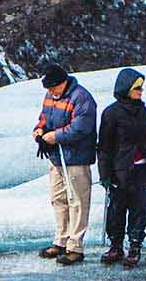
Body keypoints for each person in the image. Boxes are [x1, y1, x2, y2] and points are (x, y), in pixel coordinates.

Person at [97, 68, 146, 268]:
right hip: (120, 169)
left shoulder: (142, 110)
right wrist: (105, 174)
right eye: (137, 88)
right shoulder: (111, 113)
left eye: (142, 87)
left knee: (139, 208)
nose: (141, 91)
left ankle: (135, 245)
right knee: (116, 209)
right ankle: (116, 246)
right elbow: (105, 147)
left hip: (141, 169)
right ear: (126, 88)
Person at [32, 64, 98, 265]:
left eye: (53, 87)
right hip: (56, 158)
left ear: (63, 82)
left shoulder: (82, 98)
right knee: (58, 199)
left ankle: (75, 246)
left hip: (75, 158)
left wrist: (55, 136)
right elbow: (44, 117)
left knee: (77, 200)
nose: (50, 92)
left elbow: (81, 128)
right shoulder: (51, 96)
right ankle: (61, 241)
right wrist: (39, 130)